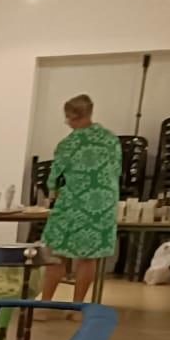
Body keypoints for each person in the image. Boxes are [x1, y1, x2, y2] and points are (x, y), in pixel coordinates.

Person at [40, 94, 120, 313]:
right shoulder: (111, 139)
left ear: (72, 116)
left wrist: (53, 193)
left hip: (74, 202)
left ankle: (45, 305)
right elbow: (116, 170)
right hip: (103, 204)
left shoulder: (69, 143)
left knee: (57, 253)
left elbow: (54, 177)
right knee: (88, 258)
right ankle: (77, 308)